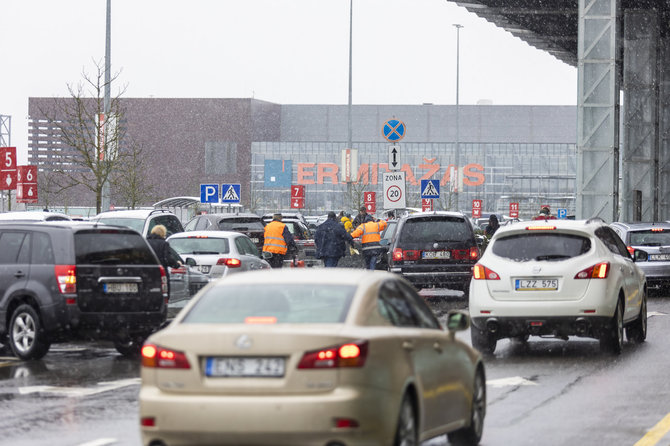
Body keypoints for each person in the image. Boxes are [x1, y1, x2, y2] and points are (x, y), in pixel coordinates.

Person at [146, 224, 182, 296]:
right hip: (161, 273)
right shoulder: (164, 244)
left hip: (148, 273)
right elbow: (168, 259)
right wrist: (177, 264)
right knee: (163, 294)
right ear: (163, 234)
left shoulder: (146, 242)